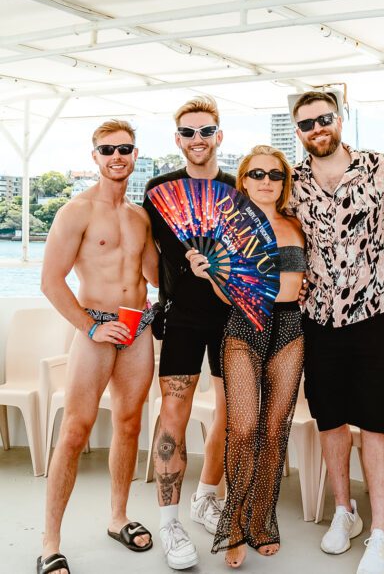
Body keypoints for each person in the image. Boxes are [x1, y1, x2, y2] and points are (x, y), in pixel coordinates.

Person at [38, 120, 158, 574]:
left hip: (138, 327)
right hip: (96, 327)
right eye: (107, 149)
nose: (116, 156)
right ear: (95, 156)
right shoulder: (77, 211)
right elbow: (51, 282)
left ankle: (118, 517)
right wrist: (90, 327)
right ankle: (50, 544)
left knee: (129, 425)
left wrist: (196, 268)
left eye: (124, 148)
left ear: (134, 153)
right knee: (74, 431)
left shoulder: (139, 216)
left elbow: (152, 277)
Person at [290, 91, 384, 574]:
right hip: (317, 318)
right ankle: (344, 511)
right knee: (330, 419)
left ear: (340, 119)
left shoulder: (380, 167)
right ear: (298, 131)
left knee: (375, 422)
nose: (317, 128)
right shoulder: (291, 182)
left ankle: (381, 531)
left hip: (375, 313)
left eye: (324, 118)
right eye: (307, 123)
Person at [187, 144, 306, 569]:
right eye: (257, 174)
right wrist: (210, 274)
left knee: (275, 429)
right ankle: (234, 526)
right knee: (242, 428)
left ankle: (262, 519)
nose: (266, 182)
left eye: (274, 175)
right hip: (243, 328)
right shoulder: (227, 229)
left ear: (283, 181)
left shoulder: (296, 223)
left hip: (290, 328)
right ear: (243, 181)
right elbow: (225, 294)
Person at [143, 95, 235, 570]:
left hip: (228, 317)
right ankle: (168, 522)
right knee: (173, 416)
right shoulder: (158, 189)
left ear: (219, 136)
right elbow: (143, 251)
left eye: (205, 131)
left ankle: (206, 496)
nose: (196, 140)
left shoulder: (239, 188)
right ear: (177, 139)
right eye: (187, 132)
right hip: (180, 317)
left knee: (229, 413)